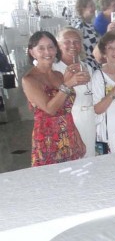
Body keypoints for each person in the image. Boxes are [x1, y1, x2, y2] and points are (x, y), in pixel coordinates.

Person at [22, 31, 88, 166]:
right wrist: (68, 84)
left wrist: (77, 136)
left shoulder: (58, 75)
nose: (47, 52)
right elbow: (50, 109)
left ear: (56, 49)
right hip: (47, 139)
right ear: (32, 52)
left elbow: (65, 110)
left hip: (68, 134)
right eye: (41, 48)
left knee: (73, 175)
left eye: (51, 47)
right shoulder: (29, 79)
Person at [54, 27, 95, 158]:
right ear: (59, 45)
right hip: (70, 119)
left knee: (91, 156)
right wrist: (68, 82)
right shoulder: (55, 69)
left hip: (90, 118)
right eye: (67, 41)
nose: (72, 45)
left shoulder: (86, 67)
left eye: (76, 41)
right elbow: (53, 101)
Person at [92, 32, 115, 155]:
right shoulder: (99, 76)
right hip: (110, 133)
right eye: (110, 48)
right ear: (104, 53)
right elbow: (97, 109)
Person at [68, 0, 101, 70]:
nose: (94, 8)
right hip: (88, 66)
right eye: (91, 6)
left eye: (94, 5)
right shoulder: (80, 26)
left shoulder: (89, 24)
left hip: (95, 64)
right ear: (82, 9)